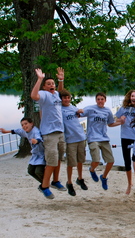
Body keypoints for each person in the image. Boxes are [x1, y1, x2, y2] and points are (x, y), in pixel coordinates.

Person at [31, 67, 66, 199]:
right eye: (49, 84)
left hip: (60, 131)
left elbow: (61, 90)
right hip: (49, 133)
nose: (52, 85)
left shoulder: (56, 94)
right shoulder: (44, 94)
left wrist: (60, 80)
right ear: (44, 87)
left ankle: (55, 181)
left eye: (53, 84)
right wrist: (40, 79)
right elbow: (34, 96)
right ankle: (44, 186)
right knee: (51, 161)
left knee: (58, 159)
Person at [81, 92, 122, 190]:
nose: (100, 101)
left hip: (104, 138)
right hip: (92, 138)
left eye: (102, 99)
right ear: (96, 100)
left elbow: (111, 123)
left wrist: (121, 122)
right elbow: (79, 114)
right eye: (98, 99)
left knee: (111, 161)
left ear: (105, 100)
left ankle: (103, 177)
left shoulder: (107, 111)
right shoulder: (90, 109)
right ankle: (92, 169)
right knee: (96, 160)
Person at [115, 90, 135, 195]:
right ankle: (130, 183)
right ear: (129, 97)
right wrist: (121, 119)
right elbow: (116, 118)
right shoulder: (124, 108)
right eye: (132, 96)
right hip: (125, 136)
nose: (133, 98)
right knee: (127, 160)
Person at [0, 118, 46, 185]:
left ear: (31, 124)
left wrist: (36, 141)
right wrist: (5, 131)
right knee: (30, 171)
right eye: (22, 125)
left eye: (26, 124)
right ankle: (44, 183)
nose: (24, 126)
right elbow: (16, 131)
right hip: (35, 154)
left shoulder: (35, 131)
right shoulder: (24, 131)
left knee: (38, 171)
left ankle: (46, 183)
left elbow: (38, 137)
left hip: (42, 153)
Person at [60, 89, 88, 196]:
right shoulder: (60, 110)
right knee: (71, 163)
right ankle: (69, 182)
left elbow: (80, 113)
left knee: (80, 160)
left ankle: (80, 178)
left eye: (68, 98)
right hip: (70, 139)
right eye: (64, 98)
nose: (67, 100)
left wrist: (80, 112)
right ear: (61, 99)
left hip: (81, 137)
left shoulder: (73, 107)